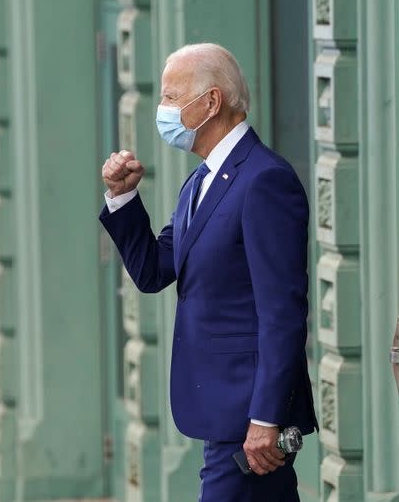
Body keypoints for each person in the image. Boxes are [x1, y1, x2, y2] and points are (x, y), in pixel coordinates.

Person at [100, 43, 317, 501]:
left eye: (171, 97)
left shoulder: (263, 180)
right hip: (221, 407)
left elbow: (282, 311)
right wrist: (121, 198)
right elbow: (154, 270)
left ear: (212, 102)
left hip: (248, 417)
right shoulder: (201, 179)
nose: (162, 110)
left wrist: (265, 417)